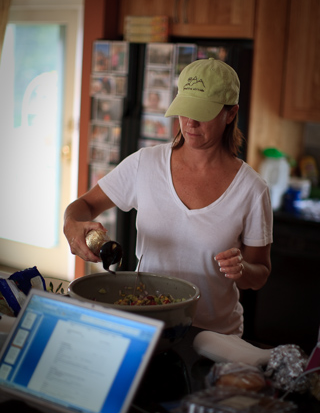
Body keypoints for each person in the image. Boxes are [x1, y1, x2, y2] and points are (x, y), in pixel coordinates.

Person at [63, 58, 273, 336]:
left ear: (231, 113)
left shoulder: (252, 189)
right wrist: (71, 226)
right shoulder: (145, 164)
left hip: (213, 335)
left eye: (203, 112)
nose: (190, 122)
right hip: (145, 323)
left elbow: (260, 273)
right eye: (184, 110)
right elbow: (85, 205)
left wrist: (242, 269)